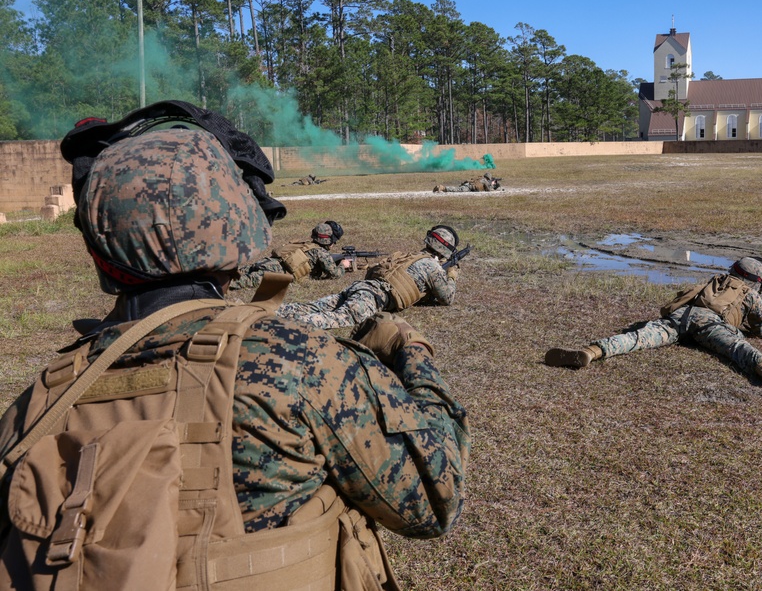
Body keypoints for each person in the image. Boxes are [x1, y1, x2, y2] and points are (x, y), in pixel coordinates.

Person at [0, 104, 469, 589]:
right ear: (232, 218)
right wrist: (412, 351)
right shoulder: (297, 362)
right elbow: (436, 497)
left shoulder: (44, 397)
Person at [544, 257, 762, 390]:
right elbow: (761, 331)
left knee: (639, 337)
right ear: (758, 280)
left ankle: (592, 352)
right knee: (736, 349)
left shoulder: (715, 279)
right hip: (709, 325)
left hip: (679, 317)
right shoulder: (751, 294)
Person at [277, 226, 461, 330]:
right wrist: (452, 274)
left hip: (360, 287)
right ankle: (278, 324)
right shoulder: (433, 267)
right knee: (336, 318)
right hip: (372, 298)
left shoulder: (408, 256)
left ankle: (269, 309)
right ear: (445, 249)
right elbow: (446, 298)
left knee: (313, 306)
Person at [229, 220, 350, 290]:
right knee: (244, 281)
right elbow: (334, 274)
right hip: (275, 272)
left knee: (239, 271)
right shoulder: (321, 253)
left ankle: (217, 276)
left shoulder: (306, 244)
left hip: (267, 262)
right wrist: (343, 266)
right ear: (328, 240)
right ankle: (217, 286)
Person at [432, 172, 501, 193]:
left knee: (457, 189)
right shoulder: (484, 181)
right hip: (469, 187)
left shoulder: (480, 178)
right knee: (457, 190)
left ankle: (441, 188)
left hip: (468, 184)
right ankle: (442, 187)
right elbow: (488, 189)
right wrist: (492, 185)